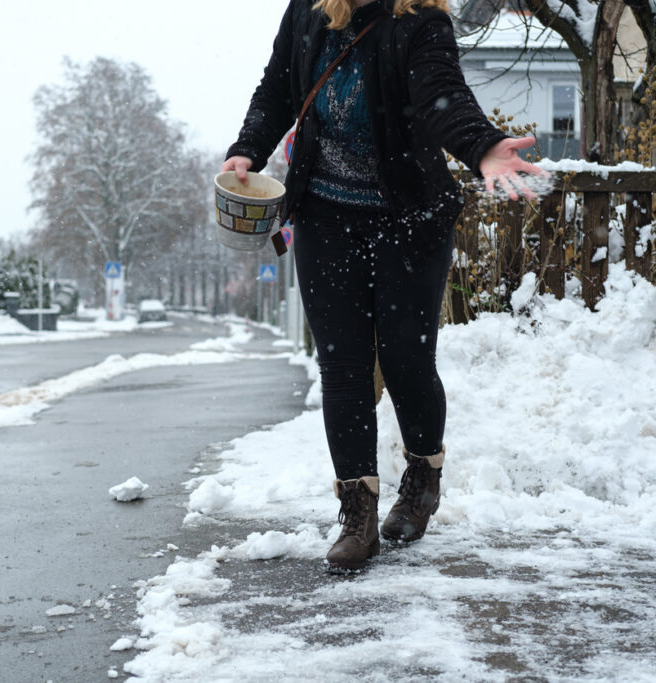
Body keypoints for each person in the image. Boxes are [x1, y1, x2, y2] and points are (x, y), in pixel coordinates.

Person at [222, 0, 545, 571]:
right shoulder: (308, 13)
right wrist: (247, 148)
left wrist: (482, 146)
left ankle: (423, 477)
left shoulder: (420, 21)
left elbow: (442, 96)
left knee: (405, 359)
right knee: (342, 366)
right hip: (325, 219)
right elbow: (277, 87)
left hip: (408, 220)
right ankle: (358, 515)